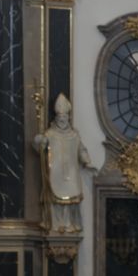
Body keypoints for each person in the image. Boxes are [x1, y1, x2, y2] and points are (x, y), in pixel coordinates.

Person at [33, 93, 95, 233]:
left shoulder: (74, 135)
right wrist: (39, 142)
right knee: (55, 196)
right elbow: (40, 149)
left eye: (65, 117)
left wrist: (87, 162)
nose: (62, 120)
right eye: (60, 117)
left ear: (68, 117)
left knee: (70, 198)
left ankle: (68, 223)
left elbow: (81, 150)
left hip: (71, 172)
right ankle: (55, 223)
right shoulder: (49, 134)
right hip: (55, 171)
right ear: (56, 118)